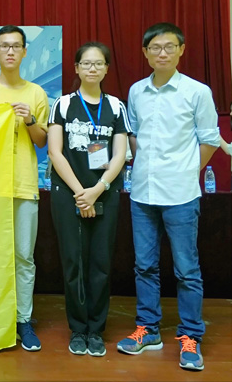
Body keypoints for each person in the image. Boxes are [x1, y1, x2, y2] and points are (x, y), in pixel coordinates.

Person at [117, 23, 219, 371]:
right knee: (144, 266)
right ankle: (148, 329)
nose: (162, 53)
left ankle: (190, 335)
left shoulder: (197, 92)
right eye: (155, 48)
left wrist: (188, 172)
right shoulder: (136, 91)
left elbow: (210, 139)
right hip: (142, 193)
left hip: (181, 194)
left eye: (169, 47)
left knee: (186, 270)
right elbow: (134, 135)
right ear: (145, 53)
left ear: (181, 50)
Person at [47, 42, 131, 356]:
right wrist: (80, 193)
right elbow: (55, 152)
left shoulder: (116, 106)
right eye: (86, 63)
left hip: (105, 192)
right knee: (73, 262)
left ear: (107, 69)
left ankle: (95, 329)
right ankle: (77, 328)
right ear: (77, 68)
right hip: (68, 193)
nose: (92, 68)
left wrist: (98, 189)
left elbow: (120, 154)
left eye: (98, 64)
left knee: (100, 263)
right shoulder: (63, 104)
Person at [0, 25, 49, 351]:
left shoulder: (36, 93)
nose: (11, 51)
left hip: (24, 184)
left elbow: (42, 142)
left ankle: (23, 319)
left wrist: (29, 120)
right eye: (5, 46)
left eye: (17, 46)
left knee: (23, 257)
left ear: (25, 52)